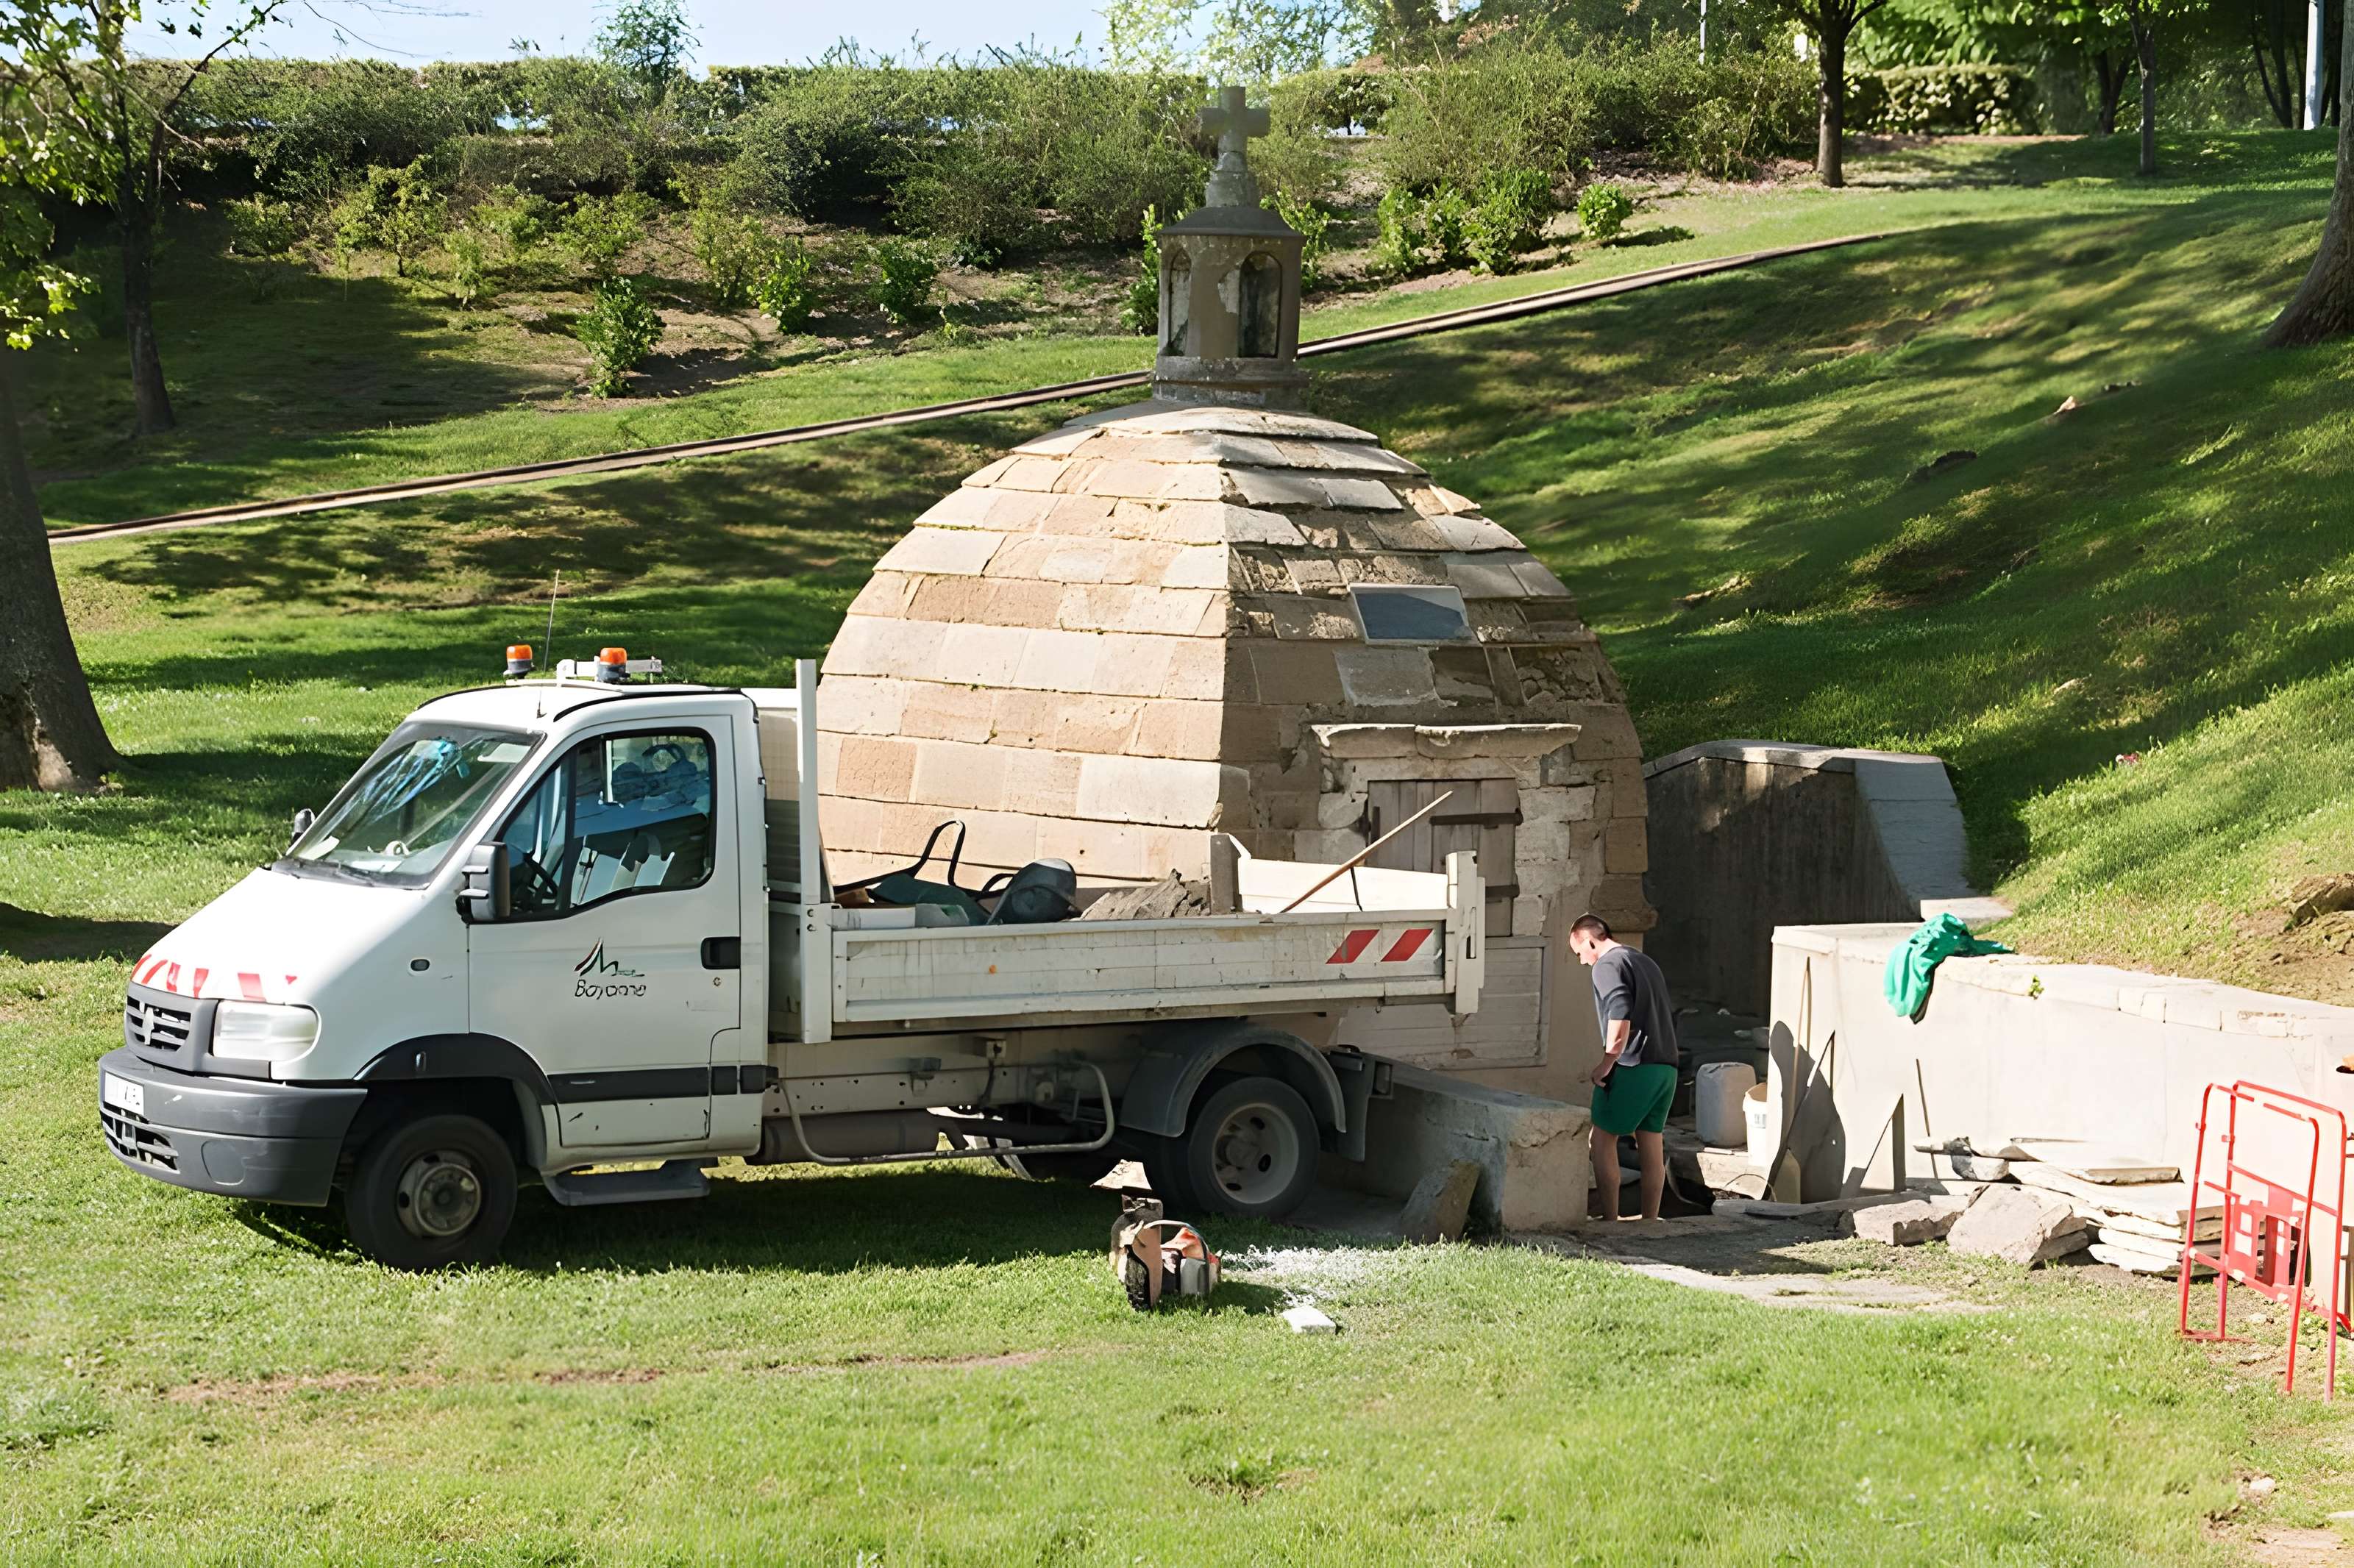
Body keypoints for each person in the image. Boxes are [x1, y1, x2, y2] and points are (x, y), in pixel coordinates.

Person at [1569, 913, 1681, 1222]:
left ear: (1590, 940)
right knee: (1651, 1140)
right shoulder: (1644, 961)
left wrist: (1608, 1062)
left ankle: (1610, 1218)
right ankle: (1650, 1220)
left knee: (1602, 1139)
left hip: (1633, 1065)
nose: (1582, 962)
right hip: (1666, 1068)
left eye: (1580, 953)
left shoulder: (1607, 964)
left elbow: (1619, 1009)